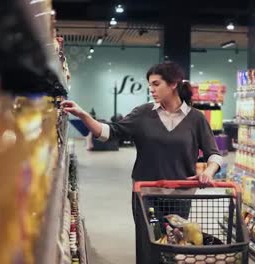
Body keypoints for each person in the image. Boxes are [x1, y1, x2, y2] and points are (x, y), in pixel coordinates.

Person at [61, 61, 222, 263]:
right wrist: (83, 115)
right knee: (149, 245)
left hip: (181, 196)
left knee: (175, 246)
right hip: (147, 195)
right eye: (150, 85)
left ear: (173, 84)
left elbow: (213, 154)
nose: (151, 89)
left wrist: (209, 172)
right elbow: (110, 133)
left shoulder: (196, 119)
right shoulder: (143, 114)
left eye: (156, 84)